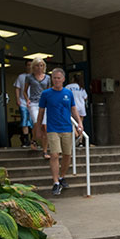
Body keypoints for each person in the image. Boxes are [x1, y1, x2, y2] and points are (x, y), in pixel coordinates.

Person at [36, 68, 83, 196]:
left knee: (67, 155)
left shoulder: (68, 93)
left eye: (58, 78)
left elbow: (73, 109)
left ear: (63, 79)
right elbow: (41, 112)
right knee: (55, 155)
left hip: (67, 128)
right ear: (52, 79)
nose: (56, 80)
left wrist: (79, 122)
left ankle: (62, 177)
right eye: (54, 78)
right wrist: (38, 128)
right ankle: (56, 182)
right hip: (52, 129)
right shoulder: (46, 94)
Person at [24, 58, 51, 159]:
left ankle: (45, 151)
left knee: (45, 127)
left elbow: (49, 91)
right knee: (36, 122)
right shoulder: (29, 77)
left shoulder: (47, 77)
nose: (39, 68)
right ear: (33, 67)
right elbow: (25, 91)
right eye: (37, 65)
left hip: (44, 103)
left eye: (41, 65)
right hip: (34, 103)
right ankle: (34, 139)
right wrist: (27, 100)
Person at [13, 60, 33, 147]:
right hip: (23, 101)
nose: (29, 67)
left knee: (33, 121)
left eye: (31, 65)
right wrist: (17, 99)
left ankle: (33, 140)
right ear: (25, 66)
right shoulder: (21, 77)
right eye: (28, 65)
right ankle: (26, 140)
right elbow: (17, 88)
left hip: (33, 103)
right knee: (24, 120)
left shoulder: (36, 77)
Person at [65, 74, 88, 147]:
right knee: (80, 124)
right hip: (81, 108)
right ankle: (80, 142)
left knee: (71, 124)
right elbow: (85, 98)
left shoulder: (68, 87)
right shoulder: (82, 88)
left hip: (72, 107)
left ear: (73, 79)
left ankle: (76, 135)